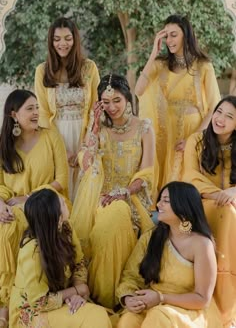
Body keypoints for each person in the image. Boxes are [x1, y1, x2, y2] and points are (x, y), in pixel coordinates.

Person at [71, 74, 155, 309]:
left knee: (118, 213)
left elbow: (147, 172)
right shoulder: (99, 129)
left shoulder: (144, 128)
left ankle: (112, 295)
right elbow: (87, 164)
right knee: (111, 213)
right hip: (99, 200)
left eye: (117, 100)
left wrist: (125, 192)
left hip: (133, 199)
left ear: (128, 98)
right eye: (105, 102)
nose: (112, 107)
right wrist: (94, 127)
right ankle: (101, 296)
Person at [0, 89, 69, 327]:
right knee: (5, 222)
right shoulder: (4, 145)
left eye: (37, 107)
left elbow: (61, 180)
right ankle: (5, 298)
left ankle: (10, 305)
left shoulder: (51, 136)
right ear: (13, 115)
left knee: (14, 221)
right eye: (30, 108)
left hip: (47, 205)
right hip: (10, 207)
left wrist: (28, 198)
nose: (36, 113)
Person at [135, 14, 221, 199]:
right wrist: (153, 53)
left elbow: (214, 106)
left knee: (186, 185)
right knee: (165, 190)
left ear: (186, 35)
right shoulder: (161, 64)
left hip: (192, 131)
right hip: (165, 134)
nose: (169, 40)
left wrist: (195, 137)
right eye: (166, 36)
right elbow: (139, 90)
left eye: (173, 34)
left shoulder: (204, 66)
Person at [116, 181, 223, 328]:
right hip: (153, 303)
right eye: (160, 200)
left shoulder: (202, 245)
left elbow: (202, 299)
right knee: (129, 319)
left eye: (165, 201)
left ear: (183, 206)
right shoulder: (151, 237)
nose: (158, 205)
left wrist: (161, 298)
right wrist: (128, 298)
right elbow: (131, 276)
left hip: (188, 311)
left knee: (157, 317)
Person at [9, 189, 112, 328]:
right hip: (31, 311)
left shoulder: (66, 228)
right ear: (56, 218)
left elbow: (79, 262)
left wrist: (77, 291)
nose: (65, 201)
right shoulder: (31, 252)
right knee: (96, 318)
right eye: (61, 204)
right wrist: (76, 291)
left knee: (98, 317)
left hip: (63, 297)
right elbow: (39, 302)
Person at [183, 95, 236, 327]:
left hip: (233, 208)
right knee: (228, 214)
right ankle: (223, 311)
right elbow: (189, 178)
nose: (220, 119)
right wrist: (222, 195)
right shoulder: (196, 141)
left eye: (229, 116)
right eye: (218, 111)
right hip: (203, 206)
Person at [35, 17, 100, 199]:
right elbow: (42, 113)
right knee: (61, 187)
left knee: (85, 190)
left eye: (67, 38)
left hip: (85, 134)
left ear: (75, 39)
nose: (62, 43)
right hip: (56, 135)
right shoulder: (42, 71)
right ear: (51, 41)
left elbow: (95, 108)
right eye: (57, 39)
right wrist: (63, 149)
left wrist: (86, 145)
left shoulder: (89, 68)